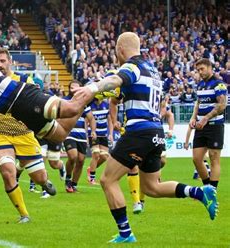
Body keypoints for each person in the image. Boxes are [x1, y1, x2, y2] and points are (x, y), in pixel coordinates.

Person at [72, 32, 218, 243]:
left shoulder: (132, 66)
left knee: (107, 180)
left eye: (116, 50)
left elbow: (116, 79)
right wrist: (102, 92)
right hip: (155, 132)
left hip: (138, 131)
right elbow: (123, 92)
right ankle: (199, 193)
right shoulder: (152, 70)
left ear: (120, 49)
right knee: (151, 187)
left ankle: (125, 233)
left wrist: (92, 88)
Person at [0, 47, 56, 222]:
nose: (0, 65)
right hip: (1, 134)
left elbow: (37, 99)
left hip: (24, 134)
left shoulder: (25, 79)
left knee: (39, 177)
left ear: (10, 61)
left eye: (3, 61)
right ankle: (24, 214)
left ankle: (44, 182)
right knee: (7, 172)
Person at [190, 58, 227, 189]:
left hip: (215, 126)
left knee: (214, 158)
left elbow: (222, 105)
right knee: (196, 159)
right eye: (198, 70)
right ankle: (207, 188)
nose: (200, 72)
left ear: (210, 68)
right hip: (200, 127)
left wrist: (206, 118)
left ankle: (212, 190)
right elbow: (198, 103)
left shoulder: (219, 84)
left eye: (202, 69)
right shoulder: (200, 85)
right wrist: (193, 118)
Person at [63, 81, 96, 193]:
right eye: (72, 88)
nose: (74, 90)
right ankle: (67, 178)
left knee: (81, 160)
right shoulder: (64, 101)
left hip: (81, 135)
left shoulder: (83, 103)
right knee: (73, 156)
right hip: (69, 133)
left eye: (77, 88)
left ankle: (74, 184)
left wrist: (93, 131)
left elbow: (91, 118)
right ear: (69, 89)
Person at [87, 96, 112, 185]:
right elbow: (87, 121)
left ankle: (90, 169)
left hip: (103, 134)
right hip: (93, 134)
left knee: (105, 157)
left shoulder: (106, 105)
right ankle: (91, 179)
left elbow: (110, 121)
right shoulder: (90, 106)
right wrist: (87, 134)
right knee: (96, 154)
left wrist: (111, 134)